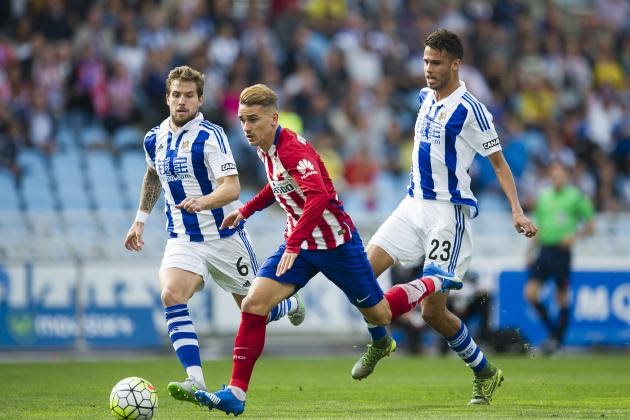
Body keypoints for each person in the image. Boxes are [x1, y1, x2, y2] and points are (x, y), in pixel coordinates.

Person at [193, 83, 463, 416]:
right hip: (301, 243)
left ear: (273, 118)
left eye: (253, 120)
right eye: (243, 120)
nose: (246, 128)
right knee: (253, 303)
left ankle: (432, 282)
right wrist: (247, 209)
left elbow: (318, 197)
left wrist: (293, 242)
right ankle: (236, 392)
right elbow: (278, 185)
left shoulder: (292, 149)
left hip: (336, 245)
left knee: (381, 315)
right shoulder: (266, 147)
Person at [358, 29, 539, 405]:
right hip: (411, 205)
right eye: (425, 61)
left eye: (436, 63)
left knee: (431, 312)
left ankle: (484, 371)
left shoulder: (472, 111)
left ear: (455, 64)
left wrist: (517, 211)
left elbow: (500, 166)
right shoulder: (425, 97)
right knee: (359, 274)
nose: (428, 69)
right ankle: (381, 341)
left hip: (446, 214)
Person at [123, 66, 306, 405]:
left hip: (224, 237)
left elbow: (232, 187)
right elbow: (152, 176)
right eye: (176, 94)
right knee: (171, 295)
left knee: (256, 309)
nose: (181, 101)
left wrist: (203, 202)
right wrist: (140, 220)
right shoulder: (154, 138)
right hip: (182, 238)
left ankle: (288, 304)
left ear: (200, 99)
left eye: (189, 95)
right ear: (167, 97)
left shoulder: (211, 135)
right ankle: (194, 379)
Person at [524, 161, 594, 354]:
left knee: (561, 297)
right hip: (545, 250)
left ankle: (558, 340)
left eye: (560, 176)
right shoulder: (544, 197)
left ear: (566, 177)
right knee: (530, 293)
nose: (557, 179)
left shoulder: (575, 197)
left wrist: (575, 236)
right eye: (554, 176)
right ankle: (554, 335)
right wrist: (530, 251)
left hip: (562, 252)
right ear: (550, 177)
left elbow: (591, 226)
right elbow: (540, 227)